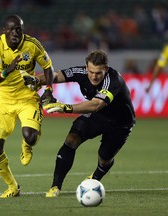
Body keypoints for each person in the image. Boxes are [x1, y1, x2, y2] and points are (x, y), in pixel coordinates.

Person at [27, 50, 135, 197]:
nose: (94, 76)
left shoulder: (114, 80)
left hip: (120, 123)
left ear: (106, 69)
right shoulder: (80, 72)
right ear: (86, 68)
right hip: (98, 116)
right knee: (71, 140)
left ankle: (95, 178)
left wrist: (66, 108)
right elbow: (57, 76)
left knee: (104, 157)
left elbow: (96, 104)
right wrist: (35, 80)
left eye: (98, 73)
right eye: (91, 72)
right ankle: (55, 186)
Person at [0, 14, 55, 198]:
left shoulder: (32, 44)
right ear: (4, 31)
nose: (15, 32)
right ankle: (13, 187)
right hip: (4, 100)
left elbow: (48, 67)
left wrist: (48, 89)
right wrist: (9, 69)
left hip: (27, 97)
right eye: (11, 29)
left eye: (19, 29)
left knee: (30, 136)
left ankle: (27, 145)